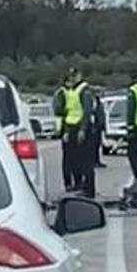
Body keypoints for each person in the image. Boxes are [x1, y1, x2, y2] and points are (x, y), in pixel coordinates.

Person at [53, 68, 96, 198]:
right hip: (72, 127)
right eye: (70, 76)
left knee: (86, 161)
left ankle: (89, 189)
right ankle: (81, 186)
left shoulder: (84, 90)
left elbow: (87, 111)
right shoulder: (72, 91)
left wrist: (83, 129)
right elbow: (69, 113)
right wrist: (66, 130)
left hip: (82, 129)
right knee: (76, 160)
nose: (72, 79)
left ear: (80, 75)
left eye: (74, 76)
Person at [92, 90, 107, 168]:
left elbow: (102, 115)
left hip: (99, 127)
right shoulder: (91, 103)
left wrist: (103, 126)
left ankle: (97, 161)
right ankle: (93, 161)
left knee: (97, 145)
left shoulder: (99, 103)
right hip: (93, 127)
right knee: (93, 146)